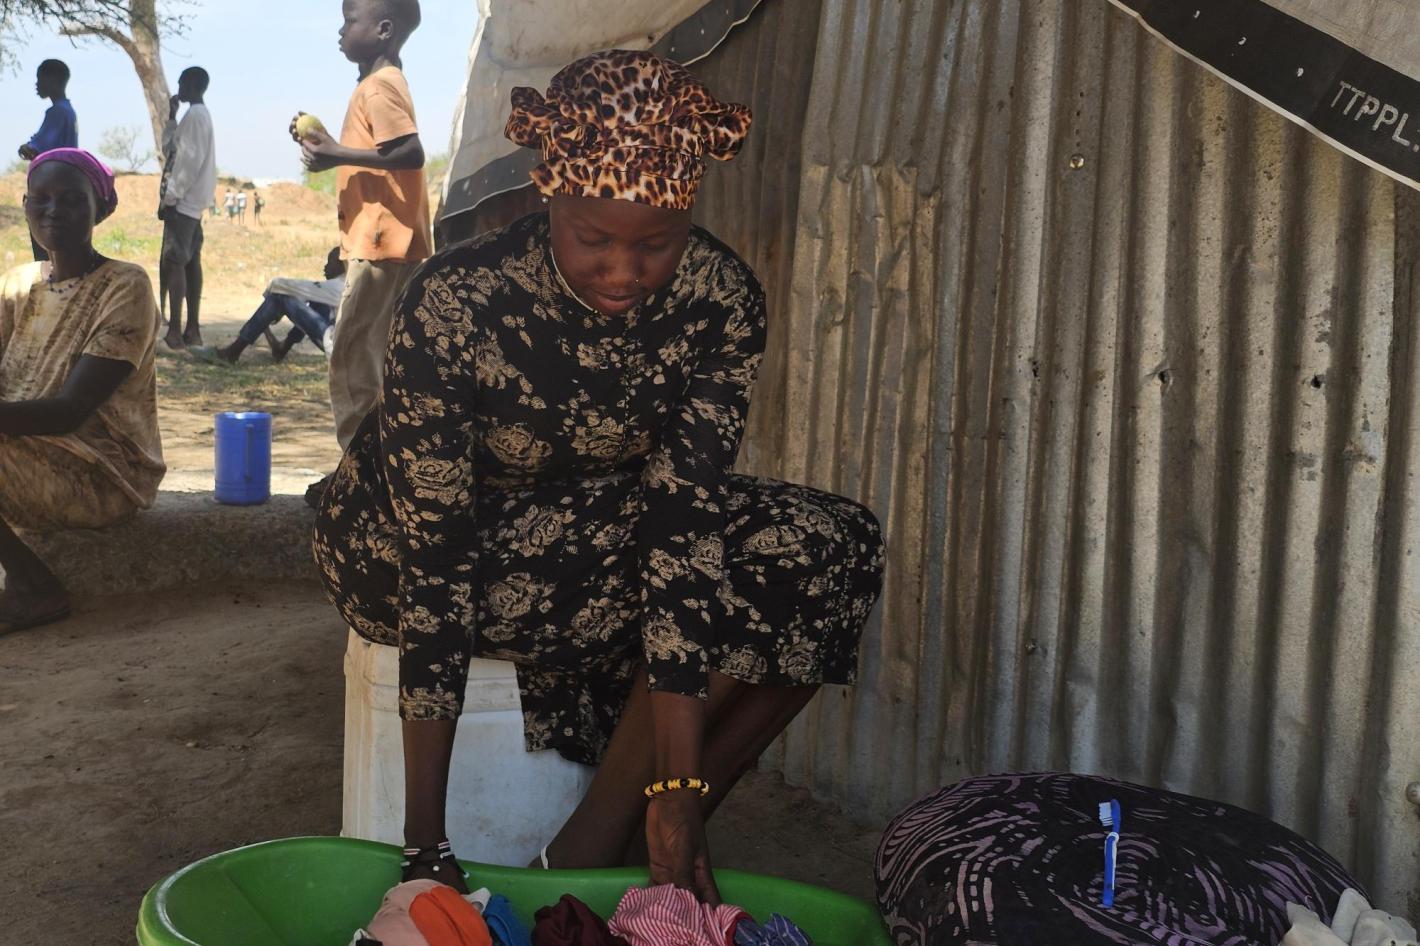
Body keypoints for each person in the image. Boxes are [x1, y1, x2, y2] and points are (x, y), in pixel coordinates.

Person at [312, 51, 885, 902]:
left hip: (597, 519)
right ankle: (598, 854)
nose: (626, 274)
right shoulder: (457, 301)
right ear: (551, 201)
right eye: (595, 240)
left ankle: (633, 838)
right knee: (473, 558)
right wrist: (425, 845)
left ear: (688, 215)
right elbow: (439, 555)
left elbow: (682, 521)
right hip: (407, 543)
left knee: (828, 549)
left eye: (657, 243)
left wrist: (683, 786)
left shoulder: (719, 299)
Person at [0, 150, 165, 634]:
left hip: (100, 470)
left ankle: (35, 589)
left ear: (103, 210)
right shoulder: (18, 284)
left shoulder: (125, 285)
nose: (53, 211)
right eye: (42, 199)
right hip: (25, 452)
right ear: (25, 205)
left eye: (72, 200)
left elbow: (70, 411)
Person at [293, 0, 431, 459]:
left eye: (350, 21)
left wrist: (336, 154)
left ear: (383, 29)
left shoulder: (379, 87)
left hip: (381, 242)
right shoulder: (381, 83)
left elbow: (410, 153)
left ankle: (359, 472)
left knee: (351, 356)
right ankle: (383, 465)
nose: (341, 29)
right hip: (383, 240)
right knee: (377, 358)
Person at [189, 247, 345, 365]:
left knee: (280, 298)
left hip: (338, 349)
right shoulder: (345, 286)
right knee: (316, 302)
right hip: (339, 345)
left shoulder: (340, 286)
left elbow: (289, 286)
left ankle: (232, 352)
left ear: (340, 266)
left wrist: (271, 293)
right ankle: (282, 348)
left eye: (329, 262)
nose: (325, 267)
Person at [158, 66, 217, 351]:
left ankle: (175, 332)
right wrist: (170, 116)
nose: (178, 85)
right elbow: (169, 148)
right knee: (190, 262)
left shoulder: (195, 116)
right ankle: (191, 330)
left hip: (184, 202)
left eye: (181, 81)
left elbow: (187, 164)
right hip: (191, 202)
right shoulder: (192, 116)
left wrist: (171, 199)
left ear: (192, 84)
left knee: (175, 261)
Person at [17, 59, 79, 263]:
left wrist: (25, 148)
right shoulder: (68, 111)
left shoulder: (56, 112)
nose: (37, 84)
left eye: (40, 78)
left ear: (53, 80)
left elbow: (38, 149)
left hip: (50, 190)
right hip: (64, 187)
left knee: (44, 253)